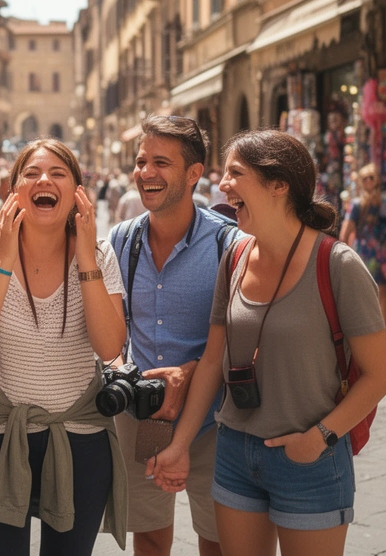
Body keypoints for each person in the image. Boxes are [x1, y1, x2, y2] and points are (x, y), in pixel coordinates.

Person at [149, 130, 386, 556]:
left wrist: (319, 438)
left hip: (311, 457)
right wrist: (181, 444)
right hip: (234, 453)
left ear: (278, 184)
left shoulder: (338, 264)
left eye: (235, 174)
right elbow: (211, 362)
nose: (222, 185)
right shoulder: (236, 256)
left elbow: (378, 377)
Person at [0, 139, 128, 556]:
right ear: (13, 191)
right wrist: (4, 262)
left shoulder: (99, 253)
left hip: (80, 435)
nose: (44, 180)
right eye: (32, 173)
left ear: (78, 191)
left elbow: (108, 345)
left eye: (58, 173)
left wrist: (86, 261)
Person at [109, 117, 236, 556]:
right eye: (141, 161)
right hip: (143, 419)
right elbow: (112, 331)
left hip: (216, 422)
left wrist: (190, 373)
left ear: (194, 173)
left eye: (161, 162)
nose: (146, 172)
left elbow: (249, 339)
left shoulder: (229, 246)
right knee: (148, 537)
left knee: (218, 541)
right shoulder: (121, 242)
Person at [339, 163, 386, 353]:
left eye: (372, 177)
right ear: (361, 182)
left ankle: (384, 333)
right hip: (367, 253)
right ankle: (363, 333)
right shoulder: (358, 203)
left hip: (385, 253)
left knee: (383, 292)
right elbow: (346, 230)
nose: (369, 181)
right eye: (365, 178)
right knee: (365, 293)